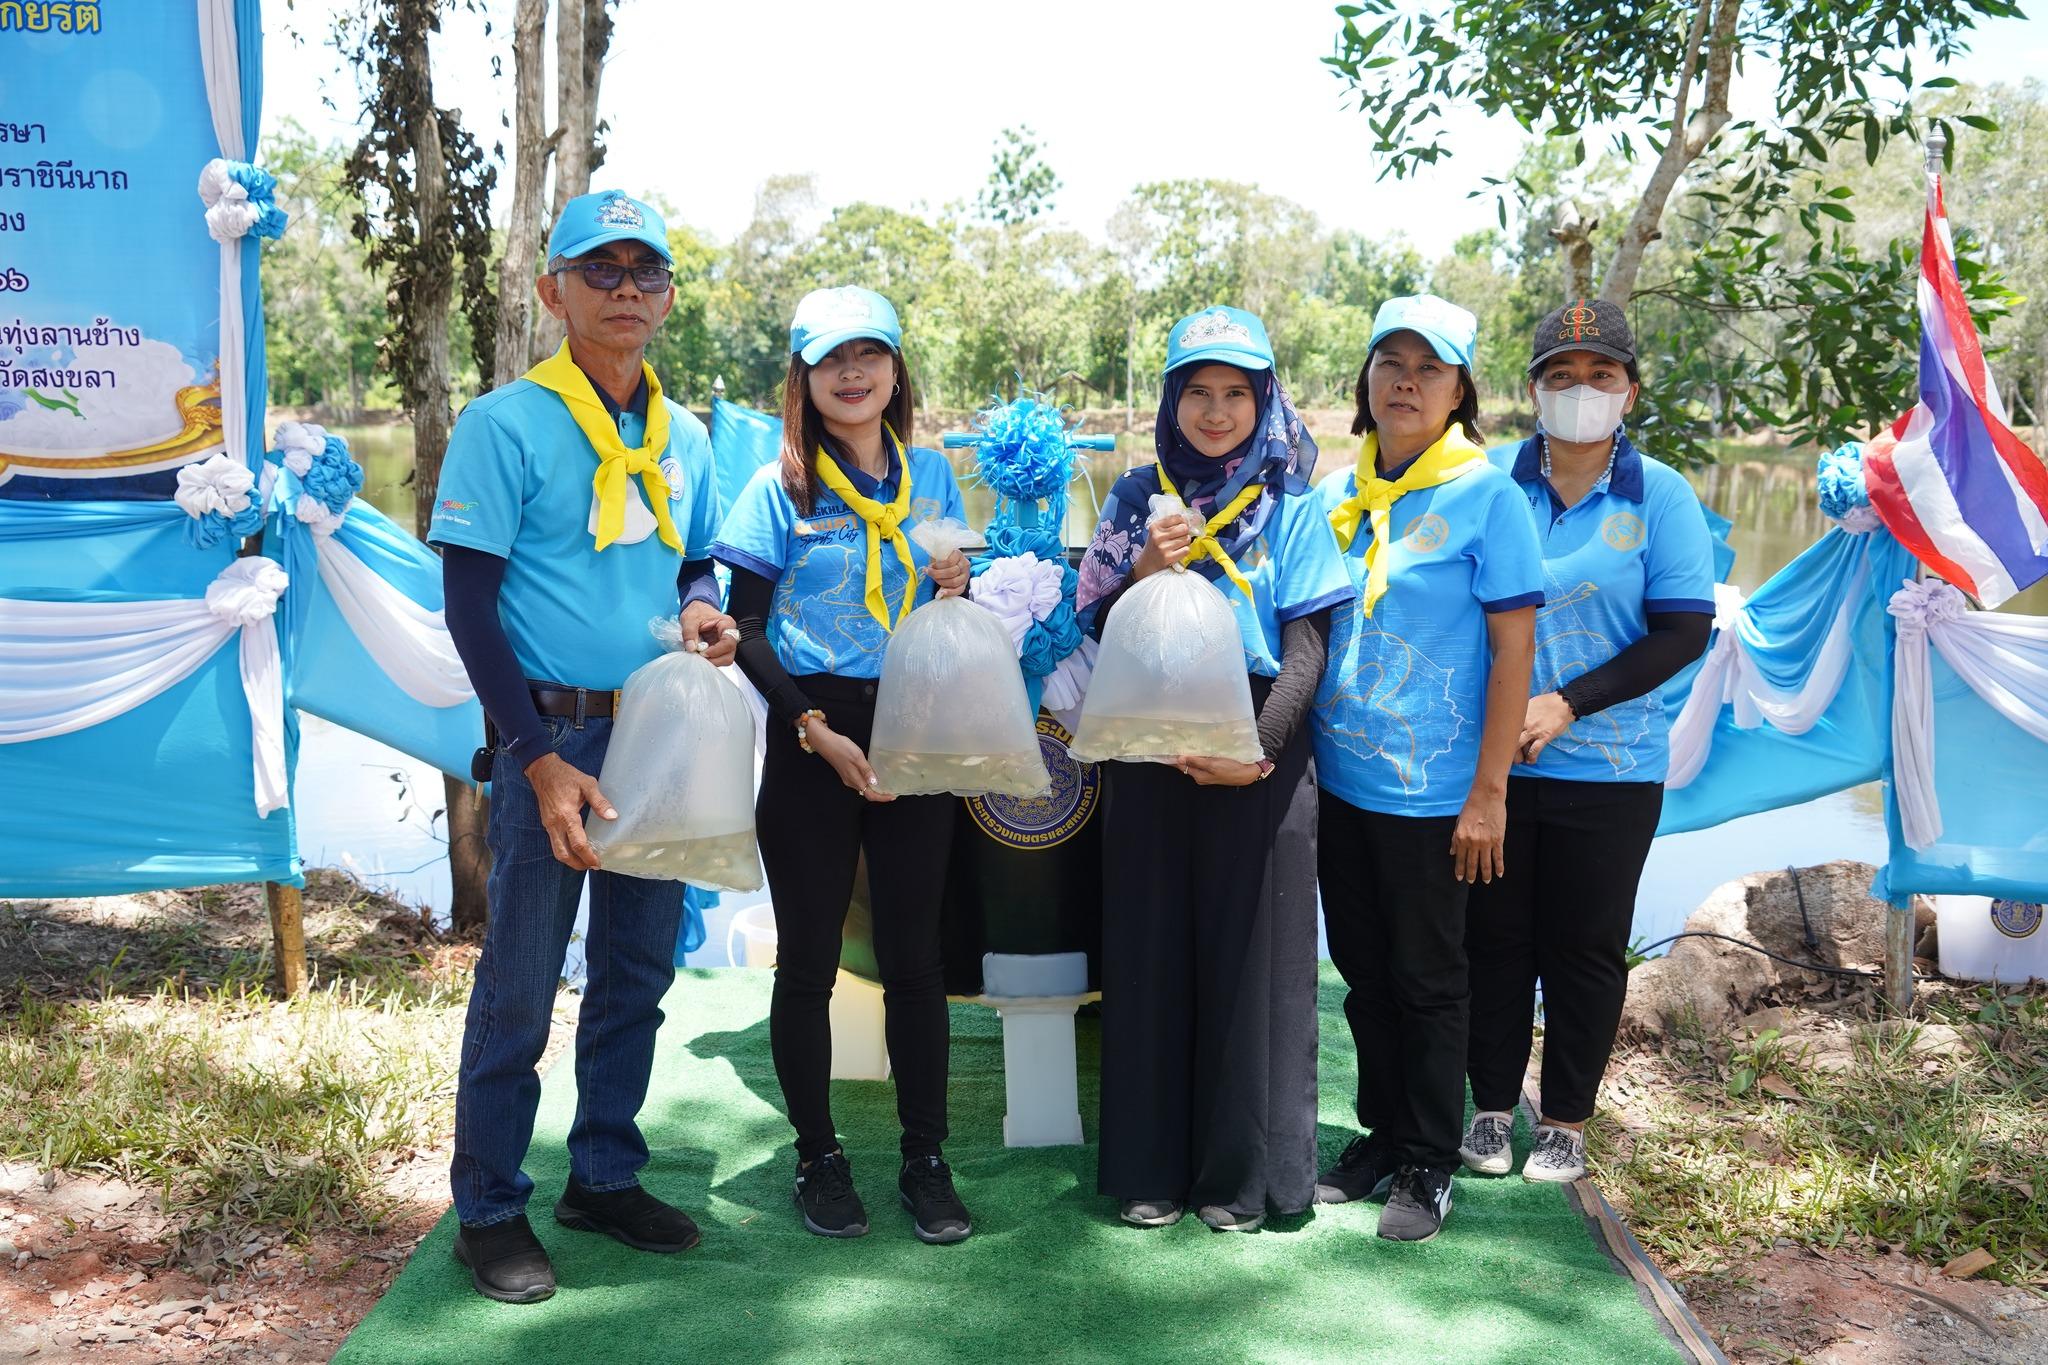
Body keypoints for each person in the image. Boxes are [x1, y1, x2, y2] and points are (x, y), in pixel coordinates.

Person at [431, 191, 734, 1304]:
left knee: (636, 970)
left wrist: (702, 610)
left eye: (644, 271)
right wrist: (533, 753)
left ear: (667, 297)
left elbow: (695, 562)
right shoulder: (504, 424)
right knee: (520, 981)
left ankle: (603, 1174)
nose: (623, 290)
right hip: (547, 735)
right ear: (552, 290)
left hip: (658, 723)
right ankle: (488, 1205)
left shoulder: (685, 435)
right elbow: (469, 606)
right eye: (598, 270)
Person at [1076, 306, 1354, 1233]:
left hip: (1260, 739)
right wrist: (1140, 570)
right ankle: (1149, 1167)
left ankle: (1245, 1177)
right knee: (1148, 946)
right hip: (1148, 734)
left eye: (1237, 392)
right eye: (1198, 391)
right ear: (1171, 400)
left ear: (1265, 401)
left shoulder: (1292, 505)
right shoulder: (1136, 497)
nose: (1216, 410)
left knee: (1253, 963)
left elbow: (1307, 649)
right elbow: (1092, 621)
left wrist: (1258, 752)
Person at [712, 287, 976, 1244]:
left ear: (897, 370)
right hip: (809, 732)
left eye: (870, 355)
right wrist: (811, 727)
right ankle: (818, 1156)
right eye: (832, 359)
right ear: (805, 377)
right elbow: (743, 626)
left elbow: (955, 603)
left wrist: (959, 581)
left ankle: (926, 1159)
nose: (853, 373)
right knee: (808, 961)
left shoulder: (933, 476)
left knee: (916, 958)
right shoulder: (777, 487)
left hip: (913, 729)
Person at [1460, 300, 1715, 1183]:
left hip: (1612, 770)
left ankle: (1565, 1119)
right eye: (1561, 375)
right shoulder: (1487, 484)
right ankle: (1491, 1108)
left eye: (1601, 374)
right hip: (1493, 767)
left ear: (1630, 392)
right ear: (1533, 391)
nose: (1581, 390)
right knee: (1492, 939)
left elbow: (1683, 631)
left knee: (1585, 947)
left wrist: (1568, 702)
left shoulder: (1662, 497)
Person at [1310, 295, 1542, 1242]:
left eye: (1429, 368)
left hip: (1435, 794)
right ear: (1366, 380)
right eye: (1390, 363)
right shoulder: (1335, 494)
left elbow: (1515, 654)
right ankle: (1381, 1133)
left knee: (1430, 976)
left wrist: (1489, 793)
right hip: (1339, 782)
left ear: (1459, 391)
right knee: (1363, 972)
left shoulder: (1489, 498)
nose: (1406, 382)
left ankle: (1430, 1158)